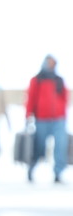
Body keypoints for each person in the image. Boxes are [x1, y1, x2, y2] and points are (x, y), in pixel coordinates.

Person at [24, 56, 68, 184]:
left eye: (53, 64)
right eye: (49, 63)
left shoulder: (59, 80)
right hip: (42, 119)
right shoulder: (36, 80)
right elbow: (30, 98)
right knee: (39, 146)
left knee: (60, 146)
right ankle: (31, 168)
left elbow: (64, 99)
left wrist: (64, 115)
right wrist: (28, 115)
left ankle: (58, 173)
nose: (51, 66)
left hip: (59, 120)